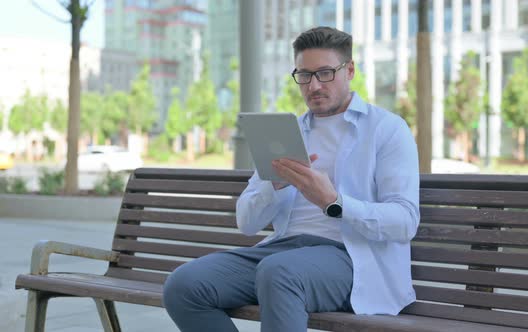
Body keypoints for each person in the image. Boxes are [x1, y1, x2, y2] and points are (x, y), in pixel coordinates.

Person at [162, 26, 420, 332]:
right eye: (304, 75)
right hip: (282, 251)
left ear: (349, 70)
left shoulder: (387, 129)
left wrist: (334, 203)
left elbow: (405, 220)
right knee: (184, 285)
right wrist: (274, 185)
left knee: (279, 272)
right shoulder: (288, 132)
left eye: (325, 73)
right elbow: (246, 222)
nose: (313, 86)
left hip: (352, 258)